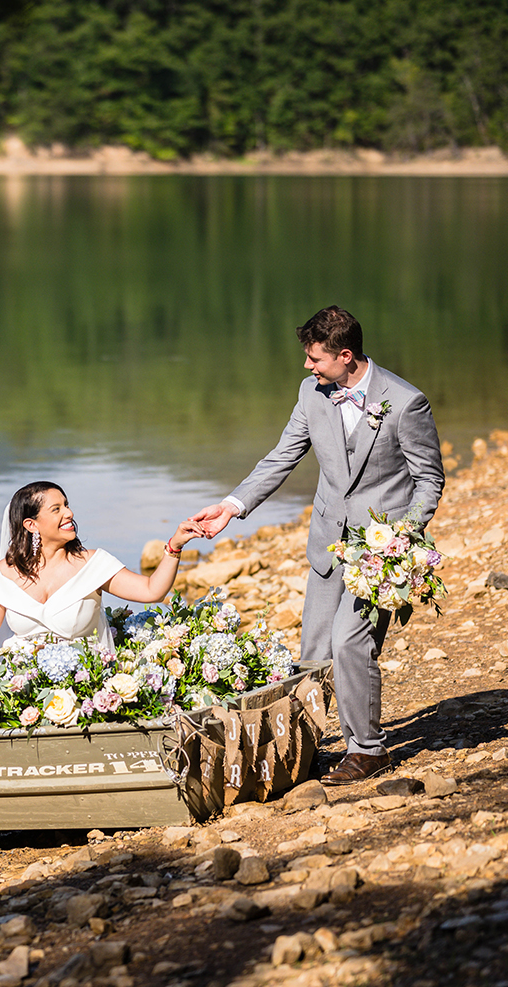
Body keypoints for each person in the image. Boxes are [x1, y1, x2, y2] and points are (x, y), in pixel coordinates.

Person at [189, 306, 444, 786]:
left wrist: (402, 537)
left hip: (380, 551)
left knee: (351, 642)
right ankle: (301, 751)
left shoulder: (406, 403)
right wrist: (231, 506)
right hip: (329, 540)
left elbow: (429, 481)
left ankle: (367, 750)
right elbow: (284, 454)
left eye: (315, 358)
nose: (307, 367)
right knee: (314, 651)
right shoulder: (312, 392)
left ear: (345, 356)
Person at [0, 480, 204, 728]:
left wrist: (174, 546)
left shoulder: (93, 564)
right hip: (20, 678)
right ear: (31, 525)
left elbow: (151, 591)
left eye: (67, 506)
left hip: (84, 680)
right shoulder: (4, 573)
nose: (68, 513)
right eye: (56, 509)